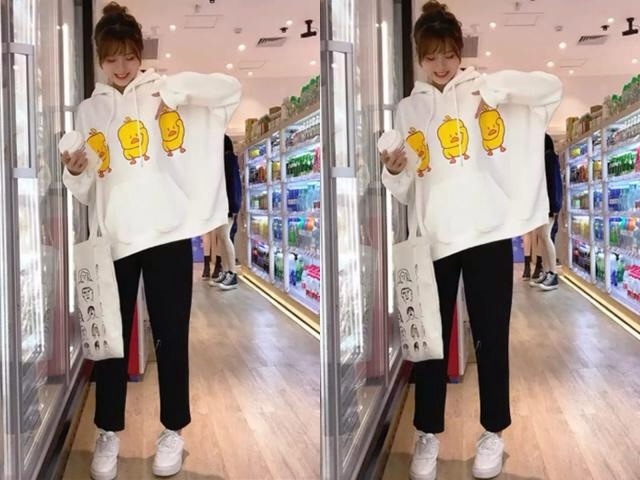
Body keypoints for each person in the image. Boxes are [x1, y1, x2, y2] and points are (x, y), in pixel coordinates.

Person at [380, 2, 562, 479]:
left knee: (491, 337)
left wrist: (498, 91)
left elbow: (550, 89)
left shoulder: (485, 88)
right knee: (430, 344)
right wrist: (394, 170)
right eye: (431, 56)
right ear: (420, 58)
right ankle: (427, 433)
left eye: (448, 54)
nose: (441, 65)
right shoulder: (408, 108)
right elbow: (406, 188)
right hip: (434, 240)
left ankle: (492, 433)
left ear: (460, 52)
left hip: (488, 236)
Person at [60, 3, 241, 479]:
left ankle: (172, 431)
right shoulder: (89, 110)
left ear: (140, 54)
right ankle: (108, 431)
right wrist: (75, 172)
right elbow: (87, 187)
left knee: (171, 336)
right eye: (112, 58)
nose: (121, 67)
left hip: (167, 236)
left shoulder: (163, 88)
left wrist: (177, 92)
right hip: (115, 240)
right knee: (110, 342)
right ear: (100, 60)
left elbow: (230, 90)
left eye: (129, 56)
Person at [208, 134, 242, 290]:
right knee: (221, 237)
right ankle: (227, 271)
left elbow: (233, 184)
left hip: (227, 206)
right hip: (223, 206)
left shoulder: (228, 159)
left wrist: (234, 207)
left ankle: (232, 273)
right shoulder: (224, 160)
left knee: (224, 237)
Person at [529, 133, 563, 291]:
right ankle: (547, 271)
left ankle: (553, 273)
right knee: (542, 237)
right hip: (543, 205)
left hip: (548, 205)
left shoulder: (549, 158)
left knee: (545, 236)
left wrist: (554, 207)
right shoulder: (544, 159)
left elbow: (554, 184)